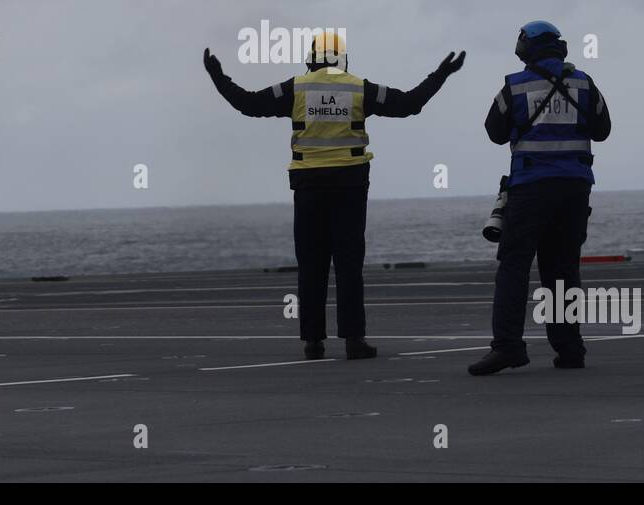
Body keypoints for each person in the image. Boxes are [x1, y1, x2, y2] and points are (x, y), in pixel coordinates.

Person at [203, 30, 464, 360]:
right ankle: (354, 340)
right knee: (348, 265)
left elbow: (248, 104)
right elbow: (409, 104)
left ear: (311, 58)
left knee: (311, 266)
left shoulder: (295, 88)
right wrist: (440, 74)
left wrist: (217, 75)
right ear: (343, 60)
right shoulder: (359, 88)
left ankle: (313, 342)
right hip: (350, 186)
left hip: (308, 187)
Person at [468, 20, 612, 376]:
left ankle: (507, 347)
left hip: (531, 188)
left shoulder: (514, 87)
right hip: (575, 189)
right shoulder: (584, 83)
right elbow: (603, 130)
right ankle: (569, 349)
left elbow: (494, 133)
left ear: (525, 48)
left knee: (514, 268)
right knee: (563, 270)